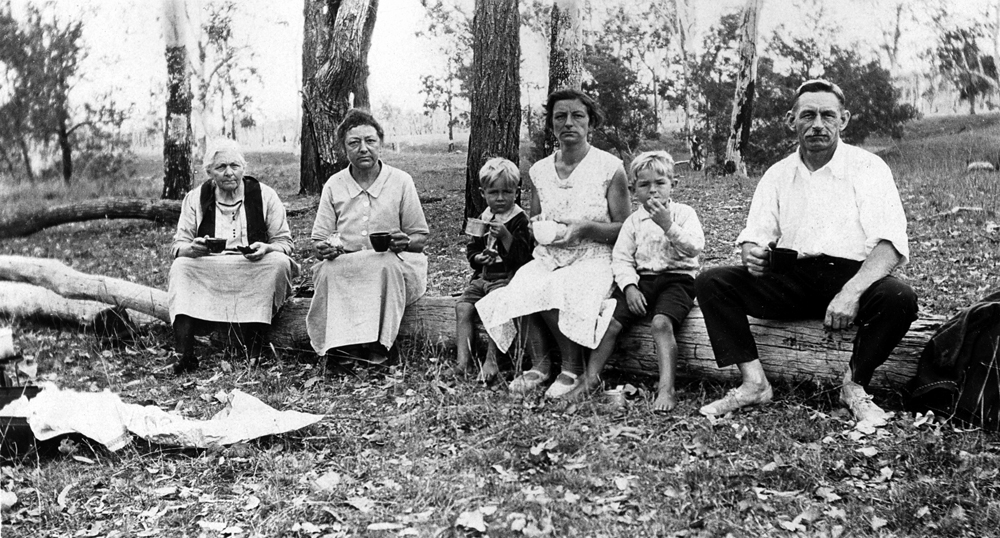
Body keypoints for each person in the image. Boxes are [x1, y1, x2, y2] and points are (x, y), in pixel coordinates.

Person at [694, 79, 918, 427]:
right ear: (791, 120)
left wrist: (851, 292)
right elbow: (755, 237)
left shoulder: (868, 168)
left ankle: (854, 387)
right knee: (712, 281)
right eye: (808, 115)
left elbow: (890, 246)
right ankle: (754, 383)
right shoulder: (778, 174)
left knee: (899, 297)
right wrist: (751, 252)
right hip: (792, 279)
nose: (817, 124)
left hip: (852, 277)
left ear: (843, 120)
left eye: (827, 115)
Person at [475, 89, 631, 398]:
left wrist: (586, 229)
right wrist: (537, 228)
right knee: (522, 284)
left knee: (559, 288)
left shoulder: (610, 167)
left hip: (595, 256)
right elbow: (537, 220)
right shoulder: (539, 171)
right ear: (551, 124)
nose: (569, 123)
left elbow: (626, 228)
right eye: (560, 116)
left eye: (578, 116)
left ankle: (571, 370)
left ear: (591, 123)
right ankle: (540, 365)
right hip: (552, 254)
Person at [564, 151, 703, 411]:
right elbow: (622, 259)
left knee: (661, 324)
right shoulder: (632, 222)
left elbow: (694, 247)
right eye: (644, 185)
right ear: (633, 189)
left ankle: (666, 388)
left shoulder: (683, 213)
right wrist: (629, 287)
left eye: (660, 183)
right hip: (642, 281)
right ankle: (590, 379)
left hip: (678, 279)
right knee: (611, 322)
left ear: (673, 183)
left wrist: (667, 225)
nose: (653, 191)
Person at [306, 109, 429, 364]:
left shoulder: (401, 181)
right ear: (343, 148)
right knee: (328, 270)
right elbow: (319, 241)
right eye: (354, 143)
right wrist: (325, 249)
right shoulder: (334, 184)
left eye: (370, 141)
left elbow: (419, 238)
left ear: (380, 144)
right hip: (348, 263)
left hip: (393, 263)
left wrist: (404, 241)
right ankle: (343, 346)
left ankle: (380, 345)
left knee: (384, 263)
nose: (363, 149)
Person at [167, 139, 299, 374]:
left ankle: (255, 344)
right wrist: (193, 249)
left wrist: (266, 248)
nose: (229, 173)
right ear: (209, 172)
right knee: (181, 267)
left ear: (244, 168)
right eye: (221, 167)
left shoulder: (265, 196)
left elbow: (284, 243)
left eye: (235, 166)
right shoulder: (195, 198)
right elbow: (178, 246)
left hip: (253, 266)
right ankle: (184, 353)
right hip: (211, 267)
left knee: (278, 262)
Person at [454, 157, 534, 384]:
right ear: (483, 193)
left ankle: (492, 360)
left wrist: (506, 236)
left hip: (505, 279)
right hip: (483, 276)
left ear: (516, 192)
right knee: (463, 306)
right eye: (494, 192)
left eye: (506, 192)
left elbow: (523, 258)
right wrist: (477, 258)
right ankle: (463, 362)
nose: (500, 198)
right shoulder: (484, 217)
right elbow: (473, 247)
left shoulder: (519, 219)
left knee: (495, 307)